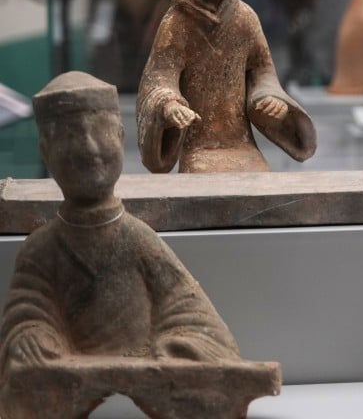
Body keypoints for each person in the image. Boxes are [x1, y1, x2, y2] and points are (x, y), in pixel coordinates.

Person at [0, 71, 273, 417]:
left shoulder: (136, 237)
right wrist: (33, 339)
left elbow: (190, 314)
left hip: (153, 365)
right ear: (46, 151)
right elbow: (27, 314)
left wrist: (174, 347)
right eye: (70, 135)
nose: (89, 147)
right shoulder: (41, 248)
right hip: (67, 373)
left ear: (120, 136)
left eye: (99, 131)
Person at [136, 0, 316, 173]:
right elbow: (159, 77)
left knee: (262, 183)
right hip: (200, 148)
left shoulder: (245, 17)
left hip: (241, 143)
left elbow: (262, 71)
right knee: (205, 180)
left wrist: (270, 99)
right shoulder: (176, 23)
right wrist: (168, 105)